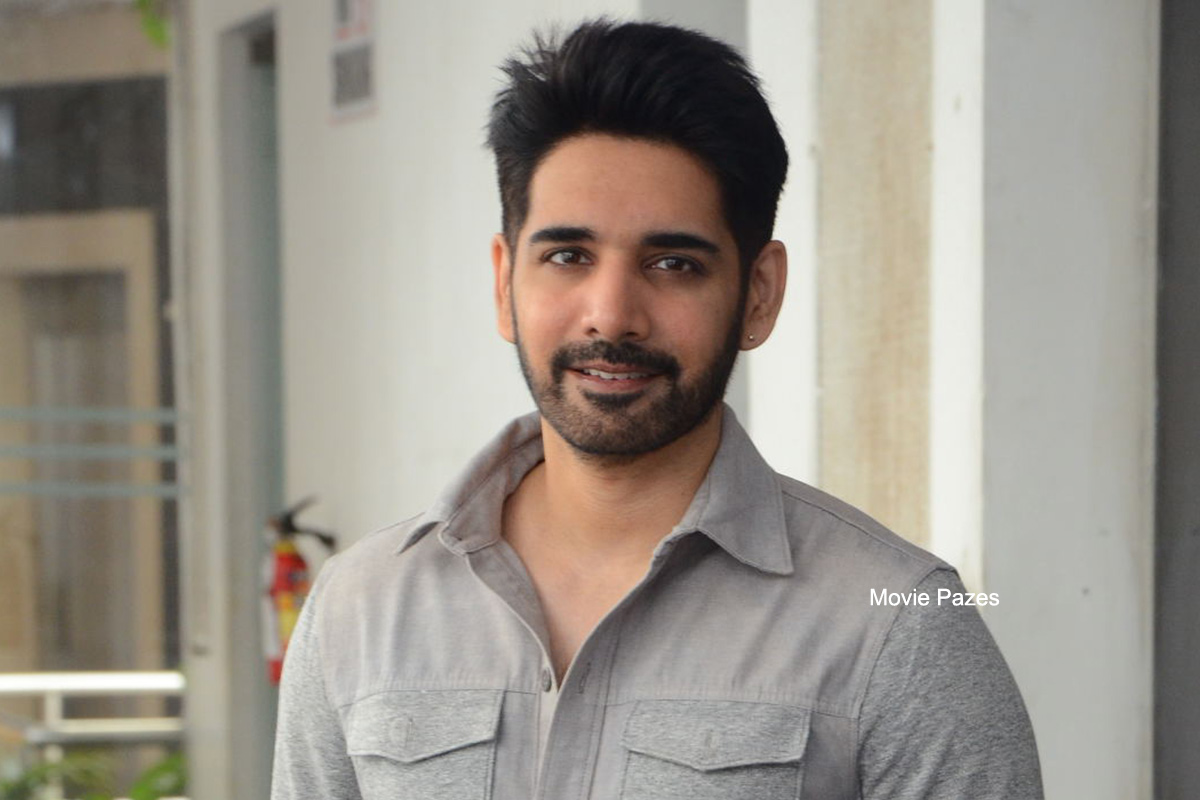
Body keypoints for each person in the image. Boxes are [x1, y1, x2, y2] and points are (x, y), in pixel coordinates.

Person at [271, 18, 1043, 800]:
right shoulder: (359, 608)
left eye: (673, 263)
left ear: (759, 295)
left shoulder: (903, 622)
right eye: (567, 256)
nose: (612, 315)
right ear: (505, 281)